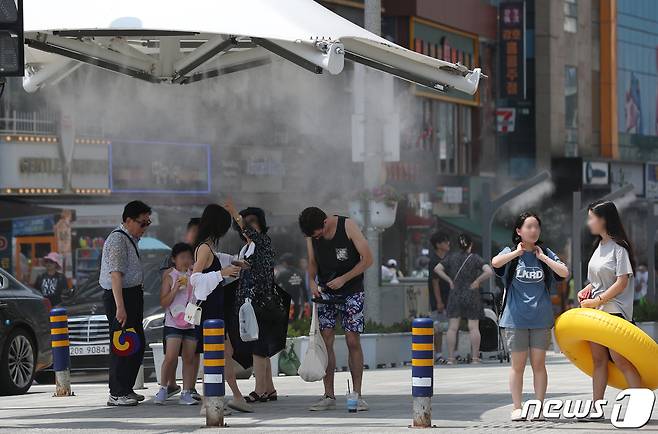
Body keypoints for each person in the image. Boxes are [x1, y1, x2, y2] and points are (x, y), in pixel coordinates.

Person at [491, 212, 569, 421]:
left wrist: (543, 257)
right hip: (515, 319)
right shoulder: (511, 252)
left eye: (536, 227)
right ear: (519, 231)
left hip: (541, 319)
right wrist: (516, 254)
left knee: (539, 365)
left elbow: (564, 273)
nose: (533, 230)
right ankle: (517, 407)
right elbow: (496, 263)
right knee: (517, 366)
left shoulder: (546, 252)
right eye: (529, 227)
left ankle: (539, 408)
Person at [298, 207, 373, 412]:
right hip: (326, 292)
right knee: (326, 339)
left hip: (352, 290)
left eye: (318, 234)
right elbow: (312, 263)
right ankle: (328, 394)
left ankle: (357, 394)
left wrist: (344, 279)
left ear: (324, 223)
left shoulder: (347, 226)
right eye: (313, 237)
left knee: (352, 340)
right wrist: (311, 282)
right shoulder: (311, 236)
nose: (317, 238)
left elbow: (367, 259)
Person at [578, 200, 641, 410]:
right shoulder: (599, 247)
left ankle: (639, 406)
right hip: (598, 313)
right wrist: (587, 289)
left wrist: (597, 300)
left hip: (615, 313)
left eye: (591, 218)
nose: (589, 223)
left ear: (603, 220)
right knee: (598, 361)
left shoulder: (619, 247)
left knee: (621, 360)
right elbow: (598, 280)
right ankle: (596, 407)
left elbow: (621, 282)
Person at [226, 199, 287, 403]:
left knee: (259, 347)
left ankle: (259, 390)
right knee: (260, 346)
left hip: (261, 301)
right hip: (249, 302)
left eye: (253, 221)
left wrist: (235, 213)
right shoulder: (247, 248)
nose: (248, 226)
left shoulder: (262, 242)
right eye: (245, 222)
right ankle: (269, 388)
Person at [190, 204, 248, 412]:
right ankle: (223, 399)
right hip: (210, 310)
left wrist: (234, 263)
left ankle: (221, 398)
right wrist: (222, 273)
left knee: (221, 354)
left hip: (213, 307)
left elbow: (217, 261)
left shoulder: (207, 248)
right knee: (220, 354)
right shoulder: (205, 249)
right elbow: (195, 279)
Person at [100, 200, 152, 406]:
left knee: (135, 344)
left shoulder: (130, 239)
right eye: (142, 223)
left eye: (148, 223)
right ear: (128, 220)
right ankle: (117, 392)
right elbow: (115, 275)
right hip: (120, 297)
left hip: (131, 295)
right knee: (122, 344)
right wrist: (120, 307)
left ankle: (127, 388)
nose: (145, 228)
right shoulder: (117, 240)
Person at [159, 217, 201, 401]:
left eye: (188, 257)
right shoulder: (170, 276)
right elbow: (164, 302)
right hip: (173, 322)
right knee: (170, 357)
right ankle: (163, 388)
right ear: (174, 259)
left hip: (191, 320)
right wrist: (176, 288)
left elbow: (199, 296)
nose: (185, 260)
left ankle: (186, 391)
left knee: (190, 357)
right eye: (181, 257)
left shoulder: (195, 275)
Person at [434, 234, 492, 365]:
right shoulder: (475, 258)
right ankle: (475, 358)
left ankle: (450, 358)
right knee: (473, 327)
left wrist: (449, 280)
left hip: (455, 293)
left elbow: (437, 268)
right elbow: (488, 271)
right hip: (472, 293)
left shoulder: (452, 257)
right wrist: (477, 281)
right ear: (470, 245)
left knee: (452, 328)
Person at [428, 231, 451, 363]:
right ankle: (438, 354)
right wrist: (439, 301)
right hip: (439, 300)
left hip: (449, 297)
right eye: (444, 241)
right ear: (438, 244)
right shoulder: (434, 261)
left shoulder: (446, 259)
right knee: (438, 328)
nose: (448, 243)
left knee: (451, 326)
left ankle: (452, 353)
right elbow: (435, 282)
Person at [277, 253, 307, 320]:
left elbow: (275, 286)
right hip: (297, 303)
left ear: (285, 263)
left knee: (287, 323)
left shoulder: (282, 274)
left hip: (286, 303)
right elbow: (304, 289)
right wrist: (306, 301)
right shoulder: (300, 273)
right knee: (295, 323)